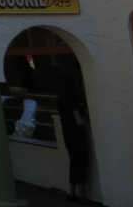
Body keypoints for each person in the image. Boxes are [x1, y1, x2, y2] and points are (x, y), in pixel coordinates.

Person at [57, 75, 89, 203]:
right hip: (77, 135)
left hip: (67, 134)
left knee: (73, 161)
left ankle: (72, 191)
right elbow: (79, 121)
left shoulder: (59, 101)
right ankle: (81, 193)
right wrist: (86, 113)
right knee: (81, 162)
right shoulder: (73, 100)